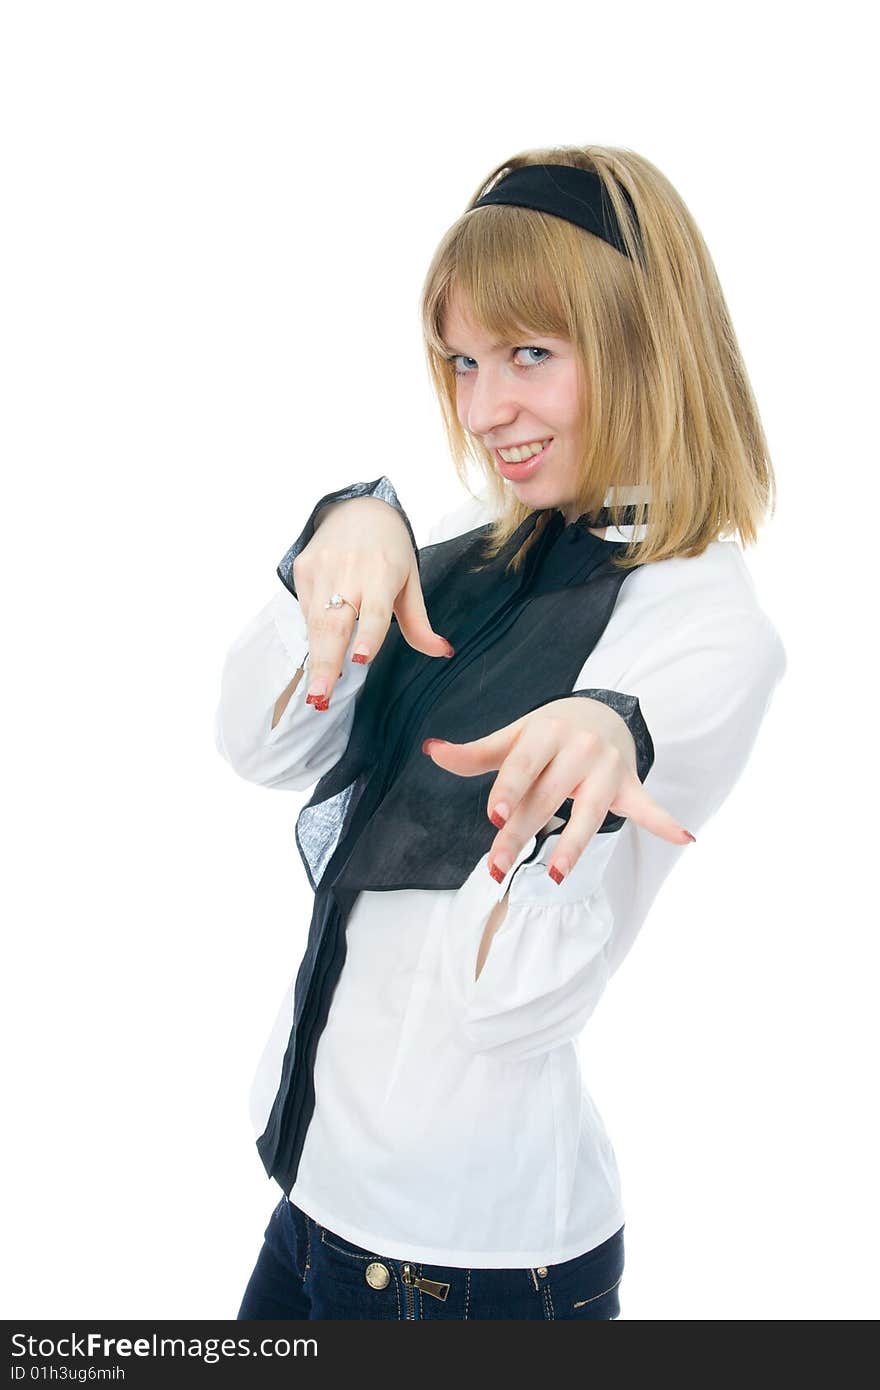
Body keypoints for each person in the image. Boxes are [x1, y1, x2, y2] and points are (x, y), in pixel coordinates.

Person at [214, 146, 786, 1320]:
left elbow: (512, 1002)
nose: (485, 409)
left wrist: (591, 742)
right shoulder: (476, 556)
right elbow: (256, 745)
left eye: (530, 353)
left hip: (461, 1267)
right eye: (465, 362)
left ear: (644, 342)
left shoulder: (702, 629)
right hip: (313, 1203)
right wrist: (344, 537)